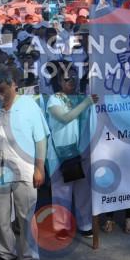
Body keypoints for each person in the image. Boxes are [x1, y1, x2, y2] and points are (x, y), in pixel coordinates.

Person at [0, 70, 49, 260]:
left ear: (14, 85)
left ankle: (30, 258)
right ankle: (7, 252)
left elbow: (41, 138)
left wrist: (40, 167)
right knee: (0, 217)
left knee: (26, 216)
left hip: (25, 168)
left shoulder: (29, 106)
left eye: (3, 91)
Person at [46, 62, 96, 238]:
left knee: (83, 189)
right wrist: (87, 102)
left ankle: (86, 224)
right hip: (61, 153)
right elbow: (66, 118)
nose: (71, 82)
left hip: (83, 150)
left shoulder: (82, 97)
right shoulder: (54, 100)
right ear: (59, 81)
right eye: (67, 79)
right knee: (62, 191)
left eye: (74, 78)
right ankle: (61, 227)